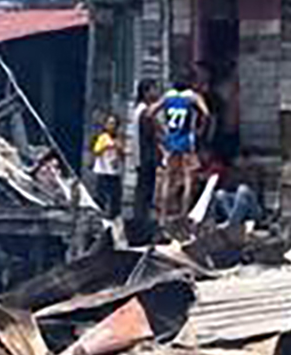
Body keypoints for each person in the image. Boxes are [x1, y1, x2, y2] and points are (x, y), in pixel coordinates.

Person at [156, 74, 211, 228]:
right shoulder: (192, 97)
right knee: (188, 178)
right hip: (186, 140)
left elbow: (150, 112)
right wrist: (201, 128)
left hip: (171, 140)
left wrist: (161, 133)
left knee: (168, 178)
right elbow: (206, 113)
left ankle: (162, 217)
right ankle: (184, 215)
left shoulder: (167, 97)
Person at [128, 79, 162, 242]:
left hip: (141, 157)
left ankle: (139, 228)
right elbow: (151, 137)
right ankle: (141, 230)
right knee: (144, 195)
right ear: (146, 92)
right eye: (154, 89)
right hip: (146, 158)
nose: (157, 93)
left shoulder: (138, 110)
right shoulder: (145, 113)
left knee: (141, 194)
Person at [90, 113, 123, 219]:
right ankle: (101, 213)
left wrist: (119, 148)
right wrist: (105, 146)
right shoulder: (102, 137)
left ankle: (114, 214)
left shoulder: (118, 138)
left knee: (115, 194)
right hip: (103, 170)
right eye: (110, 123)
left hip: (114, 170)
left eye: (114, 124)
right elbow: (96, 151)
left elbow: (122, 153)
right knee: (102, 193)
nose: (112, 126)